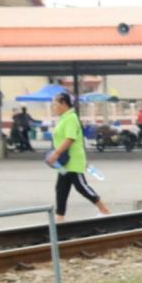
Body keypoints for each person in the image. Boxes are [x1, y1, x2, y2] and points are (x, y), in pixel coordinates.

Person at [45, 92, 112, 223]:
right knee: (61, 189)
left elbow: (70, 138)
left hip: (73, 160)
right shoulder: (64, 118)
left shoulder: (71, 118)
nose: (54, 107)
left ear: (64, 104)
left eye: (55, 104)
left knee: (81, 186)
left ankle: (104, 210)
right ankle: (59, 218)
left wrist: (56, 153)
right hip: (63, 162)